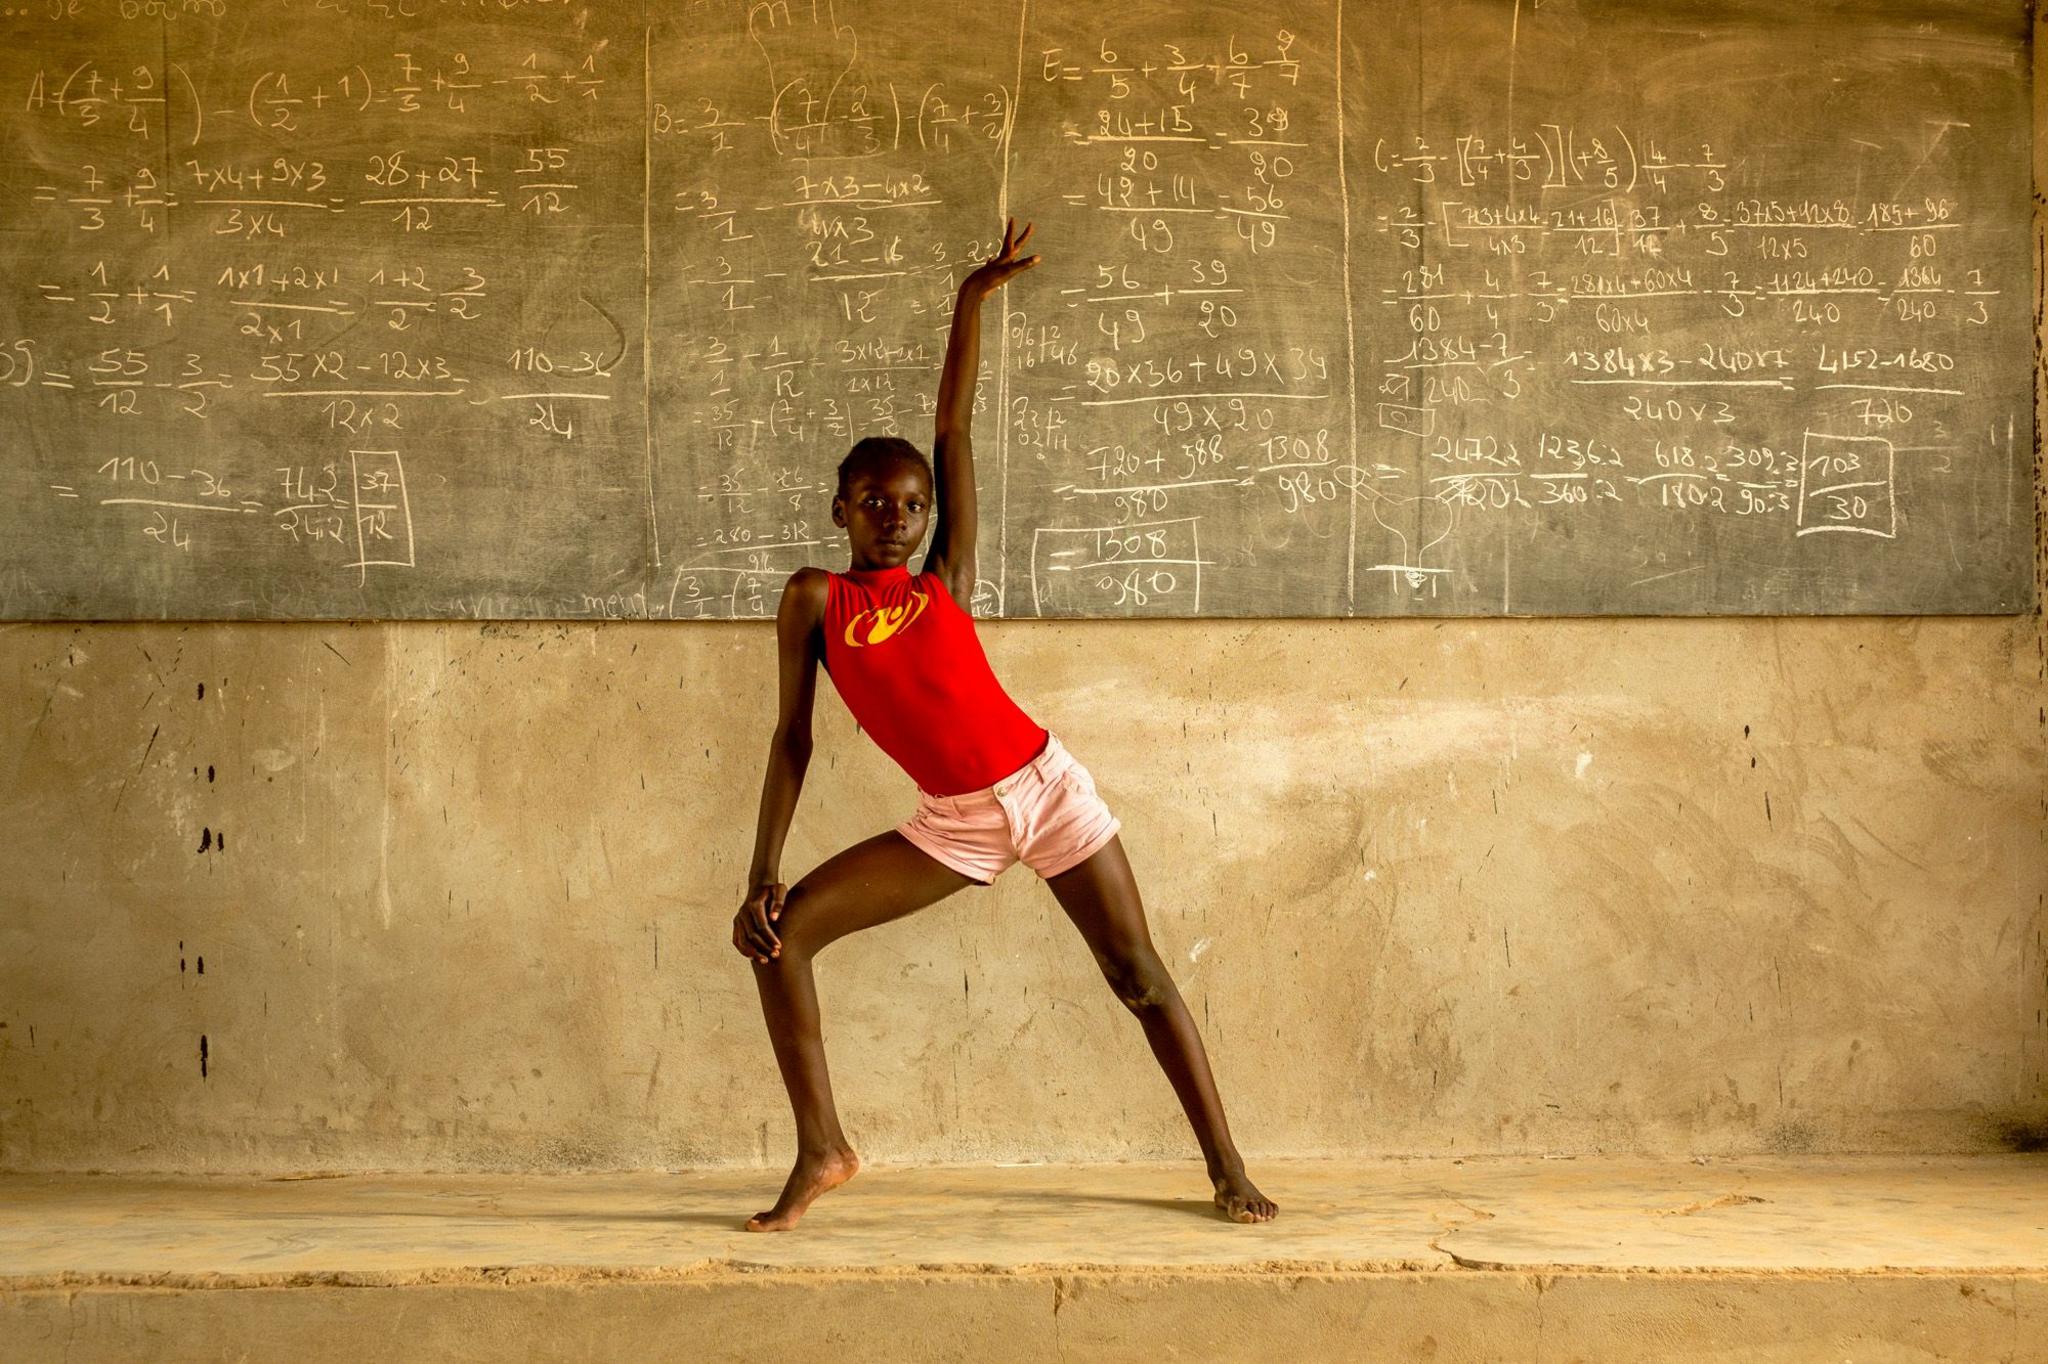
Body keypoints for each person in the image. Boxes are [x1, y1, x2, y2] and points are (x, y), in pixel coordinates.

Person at [734, 218, 1277, 1231]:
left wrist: (968, 301)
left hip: (1044, 787)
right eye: (870, 501)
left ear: (928, 511)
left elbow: (953, 425)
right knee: (781, 939)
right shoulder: (813, 599)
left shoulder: (945, 580)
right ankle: (823, 1147)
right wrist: (759, 871)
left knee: (1137, 976)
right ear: (839, 510)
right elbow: (789, 738)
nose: (891, 514)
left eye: (908, 502)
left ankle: (1225, 1164)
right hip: (953, 823)